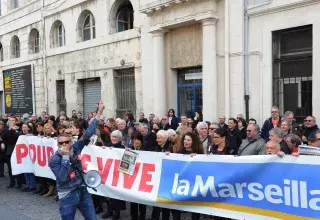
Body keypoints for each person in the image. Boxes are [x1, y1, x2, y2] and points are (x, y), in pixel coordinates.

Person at [49, 101, 105, 220]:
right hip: (67, 194)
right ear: (57, 144)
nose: (64, 144)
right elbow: (62, 177)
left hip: (82, 190)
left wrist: (99, 112)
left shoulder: (75, 148)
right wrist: (65, 158)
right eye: (61, 143)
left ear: (71, 142)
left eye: (66, 142)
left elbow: (88, 133)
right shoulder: (54, 160)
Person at [102, 130, 126, 220]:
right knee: (108, 193)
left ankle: (117, 213)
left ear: (119, 138)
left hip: (118, 173)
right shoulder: (107, 146)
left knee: (116, 195)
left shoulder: (122, 148)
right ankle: (109, 211)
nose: (114, 138)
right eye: (113, 136)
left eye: (116, 137)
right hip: (108, 173)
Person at [129, 132, 147, 220]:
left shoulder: (146, 150)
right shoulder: (130, 149)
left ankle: (142, 216)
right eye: (134, 139)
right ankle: (134, 217)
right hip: (133, 178)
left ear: (141, 141)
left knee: (142, 200)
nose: (136, 141)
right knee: (133, 200)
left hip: (142, 178)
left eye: (138, 140)